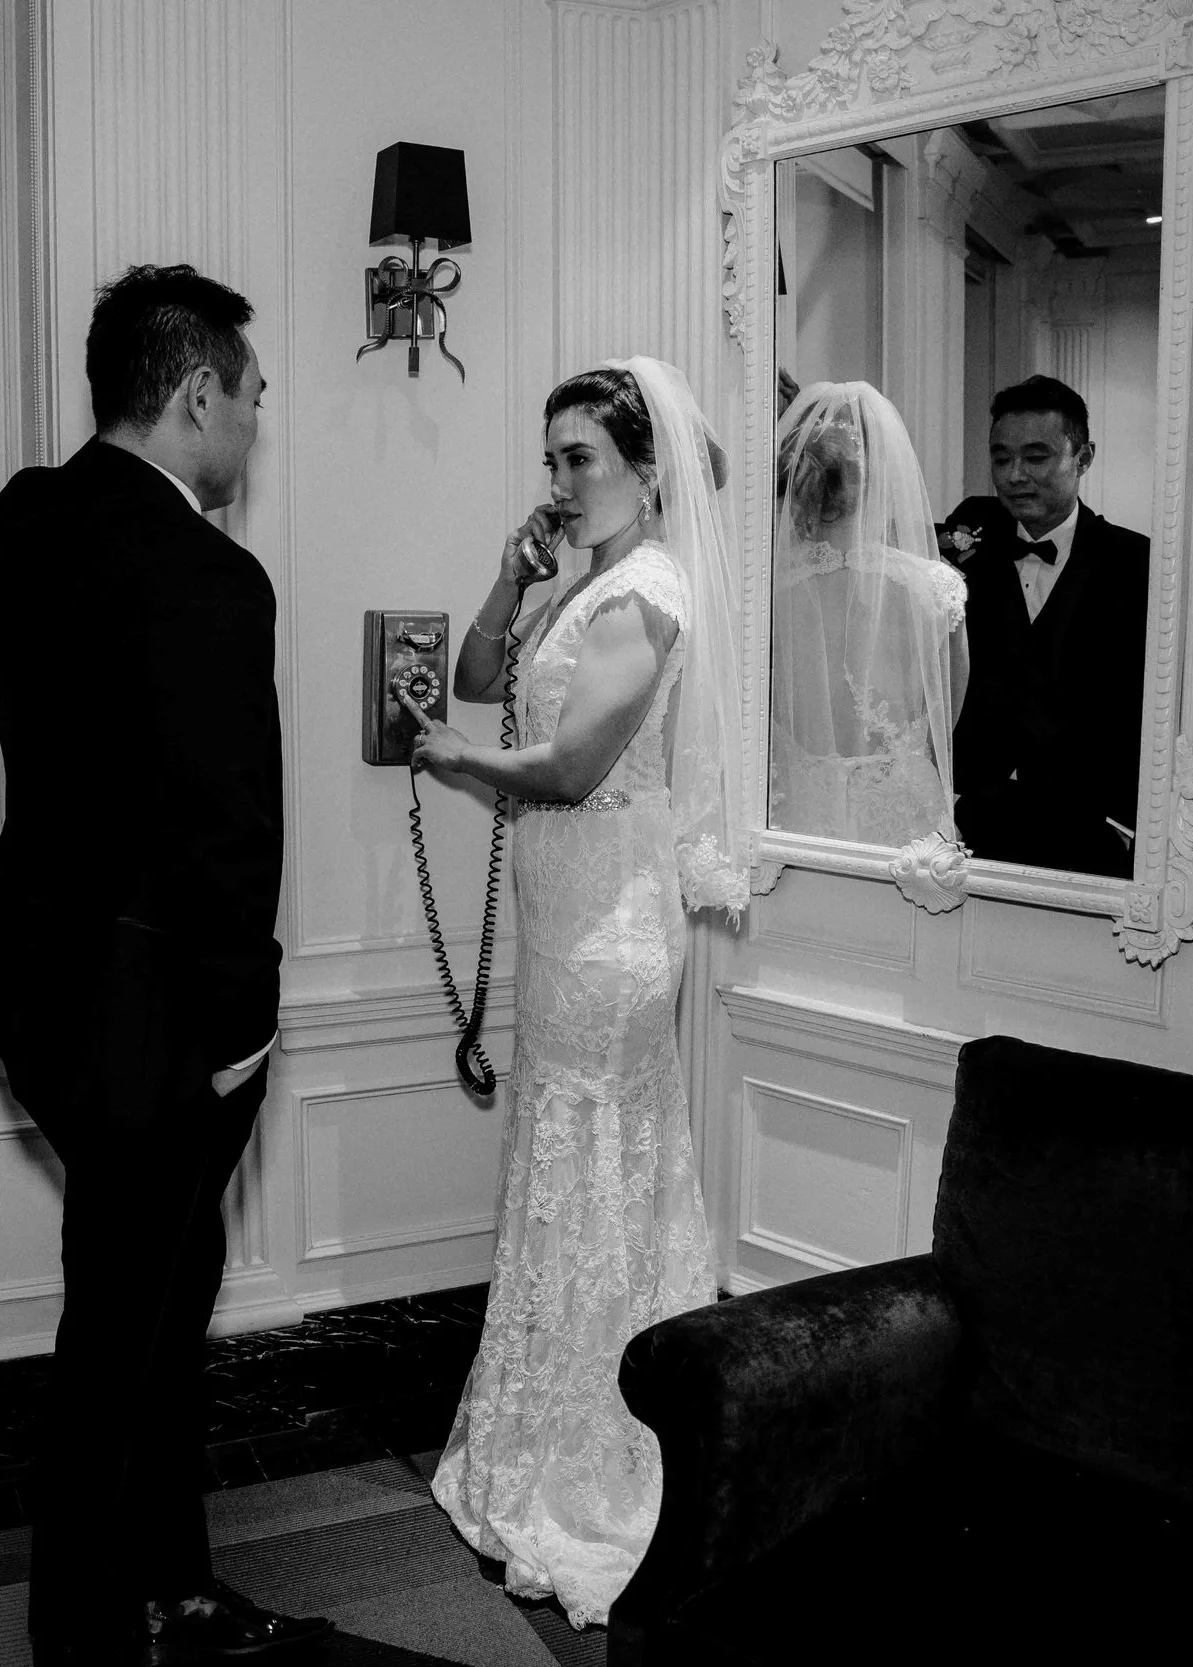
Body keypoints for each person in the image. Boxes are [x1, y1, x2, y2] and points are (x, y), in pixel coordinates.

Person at [0, 264, 329, 1666]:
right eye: (248, 400)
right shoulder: (216, 580)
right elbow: (231, 831)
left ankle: (167, 1581)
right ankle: (89, 1630)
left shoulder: (29, 517)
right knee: (127, 1327)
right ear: (193, 397)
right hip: (155, 1006)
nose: (250, 429)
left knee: (147, 1298)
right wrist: (241, 1030)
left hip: (40, 984)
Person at [402, 357, 750, 1628]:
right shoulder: (587, 583)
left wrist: (450, 761)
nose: (558, 479)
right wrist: (512, 573)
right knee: (567, 1161)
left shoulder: (648, 591)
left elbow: (567, 764)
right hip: (564, 917)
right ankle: (547, 1418)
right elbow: (491, 670)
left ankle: (609, 1441)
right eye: (549, 458)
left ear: (646, 469)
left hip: (606, 927)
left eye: (579, 459)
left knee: (595, 1160)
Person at [944, 374, 1149, 877]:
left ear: (1083, 458)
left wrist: (1127, 824)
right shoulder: (969, 531)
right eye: (1000, 458)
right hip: (970, 818)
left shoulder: (1135, 562)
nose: (1014, 475)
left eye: (1036, 457)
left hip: (1087, 828)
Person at [769, 381, 968, 845]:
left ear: (795, 491)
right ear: (881, 482)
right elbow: (946, 711)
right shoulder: (935, 588)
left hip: (797, 811)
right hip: (903, 815)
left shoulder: (768, 595)